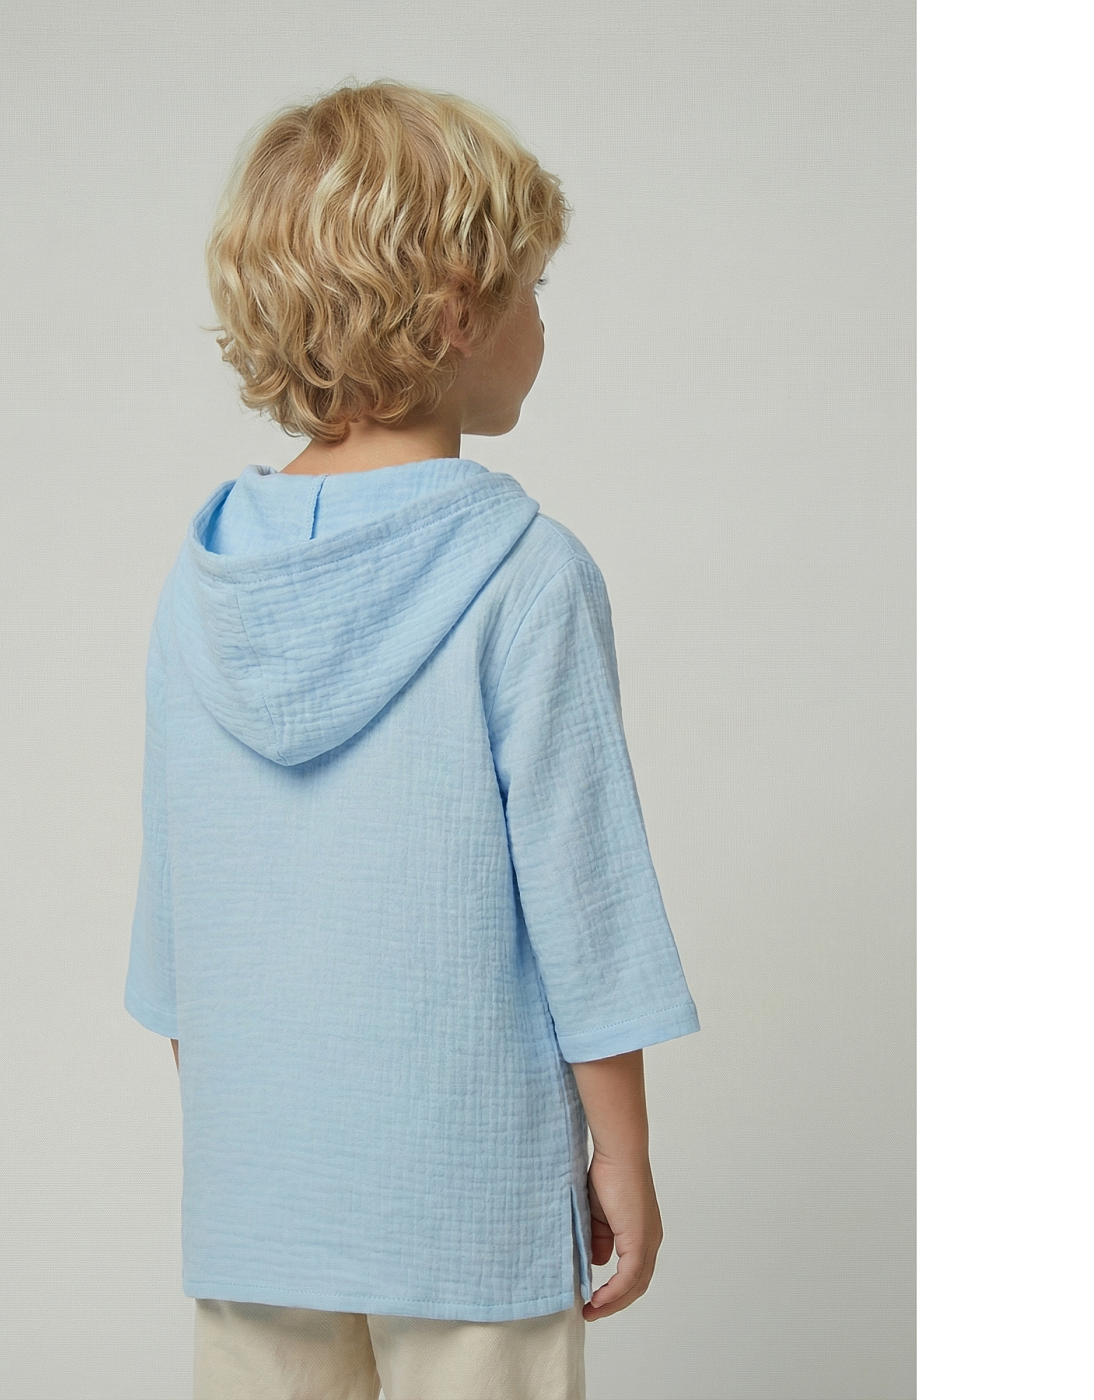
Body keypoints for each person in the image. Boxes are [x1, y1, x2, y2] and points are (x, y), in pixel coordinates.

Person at [125, 79, 700, 1400]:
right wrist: (622, 1154)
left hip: (259, 1190)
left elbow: (176, 913)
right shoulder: (527, 574)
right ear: (455, 312)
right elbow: (589, 903)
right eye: (534, 287)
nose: (544, 317)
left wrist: (242, 1141)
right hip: (473, 1188)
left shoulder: (201, 585)